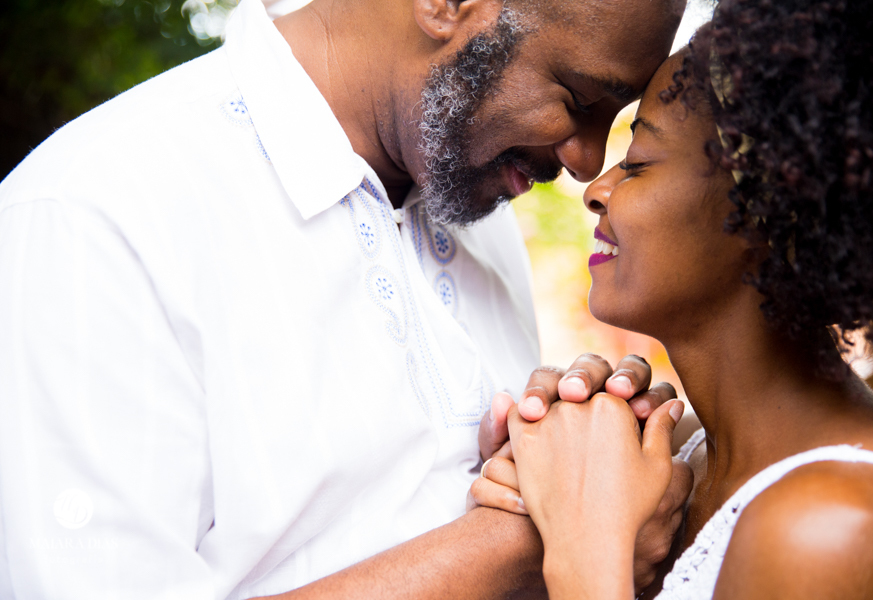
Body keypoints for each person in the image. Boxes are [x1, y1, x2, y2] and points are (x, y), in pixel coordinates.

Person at [0, 0, 692, 598]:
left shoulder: (475, 211)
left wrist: (587, 445)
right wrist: (564, 531)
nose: (585, 163)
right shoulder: (94, 216)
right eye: (577, 99)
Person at [472, 0, 873, 597]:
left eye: (639, 162)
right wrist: (543, 477)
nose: (596, 189)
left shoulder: (832, 523)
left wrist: (583, 545)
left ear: (769, 210)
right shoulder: (677, 461)